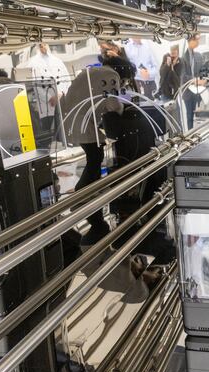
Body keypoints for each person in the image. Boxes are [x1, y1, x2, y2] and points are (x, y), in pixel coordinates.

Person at [61, 57, 136, 246]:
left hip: (73, 121)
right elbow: (113, 103)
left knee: (94, 155)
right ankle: (82, 193)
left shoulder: (93, 70)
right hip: (84, 124)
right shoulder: (111, 75)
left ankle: (88, 191)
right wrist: (124, 112)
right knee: (95, 157)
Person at [181, 34, 207, 130]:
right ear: (190, 41)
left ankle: (198, 135)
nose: (198, 42)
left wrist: (204, 79)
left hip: (198, 90)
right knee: (189, 116)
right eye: (196, 40)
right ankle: (190, 137)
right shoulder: (183, 58)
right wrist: (195, 81)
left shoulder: (198, 56)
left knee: (198, 116)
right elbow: (183, 76)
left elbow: (202, 70)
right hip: (188, 92)